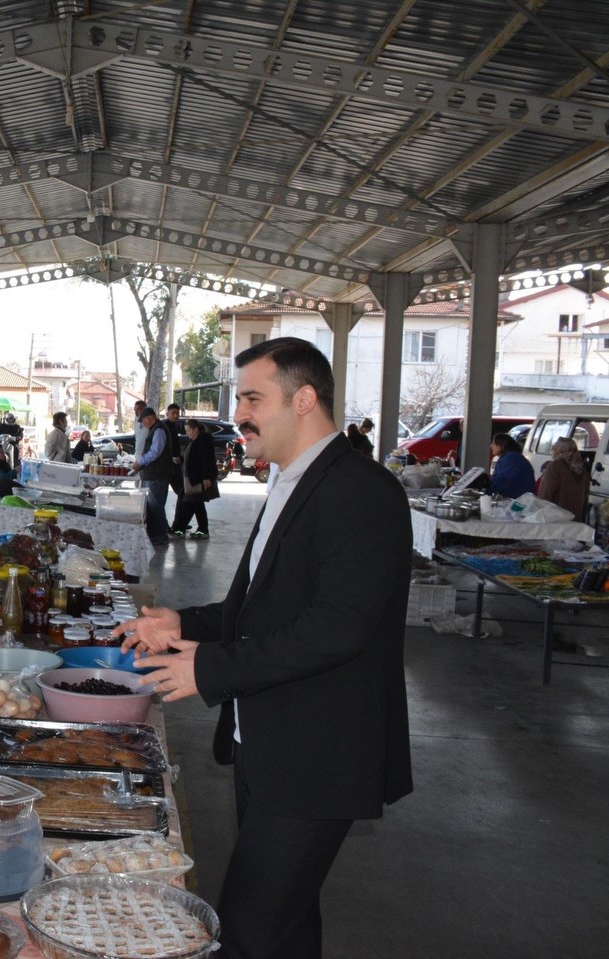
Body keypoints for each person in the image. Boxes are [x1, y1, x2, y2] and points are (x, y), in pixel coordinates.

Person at [114, 337, 412, 959]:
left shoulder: (361, 489)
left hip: (318, 756)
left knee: (250, 930)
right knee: (287, 925)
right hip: (269, 743)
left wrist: (209, 668)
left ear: (304, 400)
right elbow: (250, 609)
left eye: (253, 399)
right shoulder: (290, 481)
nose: (240, 415)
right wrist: (182, 622)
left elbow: (339, 627)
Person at [130, 406, 174, 546]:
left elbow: (155, 452)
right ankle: (155, 535)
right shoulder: (155, 429)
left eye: (143, 422)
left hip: (157, 475)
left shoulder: (159, 430)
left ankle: (161, 536)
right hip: (152, 474)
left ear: (150, 419)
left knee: (156, 507)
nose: (143, 425)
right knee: (152, 506)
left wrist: (140, 462)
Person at [170, 418, 220, 538]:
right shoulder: (195, 440)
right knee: (197, 504)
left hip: (197, 480)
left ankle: (179, 530)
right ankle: (203, 530)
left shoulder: (202, 441)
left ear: (196, 429)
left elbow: (205, 460)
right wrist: (180, 460)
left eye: (188, 431)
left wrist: (206, 478)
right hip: (193, 479)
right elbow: (192, 457)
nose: (187, 433)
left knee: (190, 503)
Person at [537, 437, 591, 519]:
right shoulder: (583, 472)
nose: (552, 449)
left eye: (554, 447)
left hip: (556, 519)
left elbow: (545, 493)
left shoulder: (555, 467)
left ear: (559, 451)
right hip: (575, 519)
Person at [487, 432, 535, 499]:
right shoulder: (509, 457)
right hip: (516, 499)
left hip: (518, 501)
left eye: (493, 443)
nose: (491, 446)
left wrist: (485, 490)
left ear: (502, 445)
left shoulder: (512, 458)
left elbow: (501, 483)